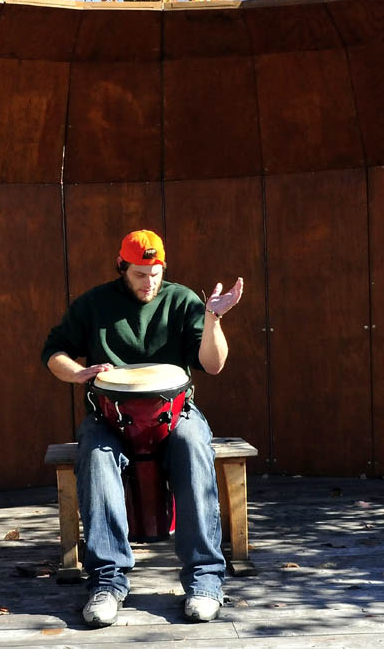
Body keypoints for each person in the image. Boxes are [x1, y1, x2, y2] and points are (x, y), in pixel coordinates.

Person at [41, 229, 243, 627]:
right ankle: (107, 582)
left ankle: (204, 581)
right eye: (138, 274)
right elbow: (54, 351)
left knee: (192, 447)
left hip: (175, 415)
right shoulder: (94, 304)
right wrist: (81, 372)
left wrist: (213, 316)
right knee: (96, 457)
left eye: (154, 272)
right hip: (109, 418)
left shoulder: (183, 299)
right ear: (121, 267)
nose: (148, 282)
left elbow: (214, 364)